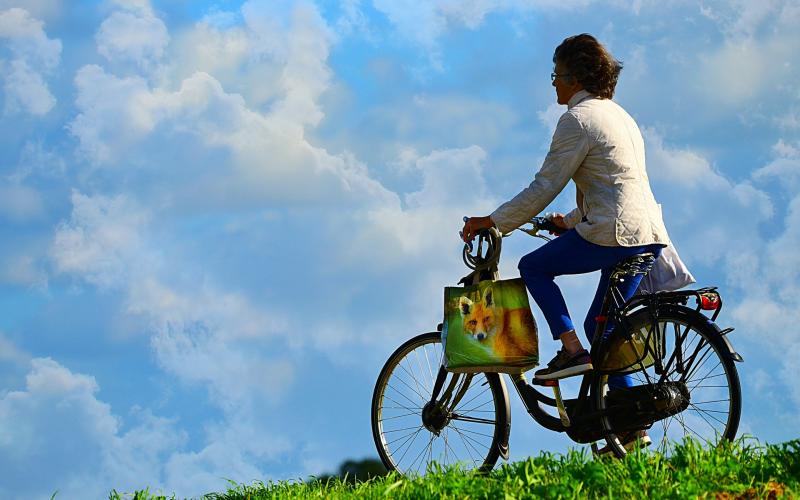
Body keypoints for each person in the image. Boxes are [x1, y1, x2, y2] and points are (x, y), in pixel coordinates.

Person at [462, 34, 669, 391]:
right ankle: (630, 421)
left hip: (615, 235)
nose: (554, 82)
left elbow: (544, 186)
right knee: (603, 329)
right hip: (648, 236)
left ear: (574, 79)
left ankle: (572, 351)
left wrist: (493, 221)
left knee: (533, 266)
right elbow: (612, 186)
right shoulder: (620, 116)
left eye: (556, 74)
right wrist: (569, 222)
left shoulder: (577, 120)